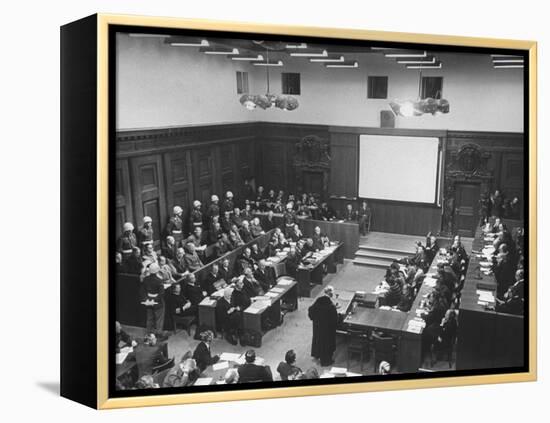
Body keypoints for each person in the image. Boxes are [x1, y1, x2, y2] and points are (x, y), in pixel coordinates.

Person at [308, 286, 338, 366]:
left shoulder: (318, 300)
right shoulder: (330, 306)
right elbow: (335, 320)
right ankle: (326, 361)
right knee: (326, 344)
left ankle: (317, 354)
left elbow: (311, 310)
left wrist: (314, 319)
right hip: (327, 330)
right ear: (331, 293)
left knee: (318, 341)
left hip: (317, 327)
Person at [140, 263, 166, 336]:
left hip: (148, 301)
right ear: (157, 271)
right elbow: (161, 293)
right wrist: (155, 300)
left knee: (149, 318)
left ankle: (148, 333)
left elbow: (142, 291)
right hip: (157, 302)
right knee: (159, 318)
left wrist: (147, 300)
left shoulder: (145, 279)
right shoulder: (159, 280)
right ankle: (158, 333)